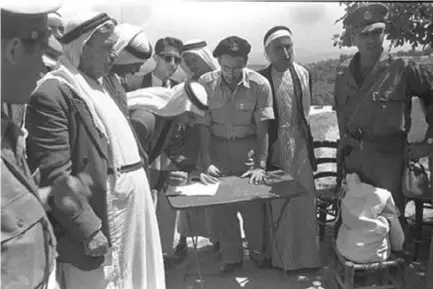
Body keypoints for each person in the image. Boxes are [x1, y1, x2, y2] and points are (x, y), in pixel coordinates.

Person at [25, 10, 165, 289]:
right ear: (81, 47)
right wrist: (87, 228)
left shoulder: (104, 87)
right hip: (103, 215)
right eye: (106, 47)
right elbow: (54, 174)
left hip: (133, 210)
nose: (113, 55)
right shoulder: (54, 93)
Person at [0, 3, 86, 289]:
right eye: (40, 55)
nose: (42, 70)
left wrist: (46, 196)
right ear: (13, 49)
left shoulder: (8, 127)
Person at [333, 3, 433, 227]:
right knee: (356, 219)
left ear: (384, 32)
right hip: (354, 159)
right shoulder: (343, 73)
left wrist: (429, 141)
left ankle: (395, 261)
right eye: (364, 34)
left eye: (377, 32)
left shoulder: (402, 68)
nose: (371, 40)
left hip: (389, 160)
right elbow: (341, 113)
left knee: (390, 219)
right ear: (353, 37)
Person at [197, 36, 274, 273]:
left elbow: (263, 129)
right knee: (223, 208)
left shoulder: (260, 85)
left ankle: (259, 256)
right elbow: (202, 126)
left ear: (246, 61)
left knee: (253, 209)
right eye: (225, 67)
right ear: (218, 61)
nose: (230, 73)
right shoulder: (206, 83)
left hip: (247, 152)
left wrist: (260, 165)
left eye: (237, 67)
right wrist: (207, 162)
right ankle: (231, 258)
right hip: (218, 151)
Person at [128, 81, 217, 267]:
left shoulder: (170, 117)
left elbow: (173, 147)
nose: (190, 123)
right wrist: (161, 179)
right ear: (180, 105)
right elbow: (131, 167)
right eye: (190, 117)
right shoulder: (143, 120)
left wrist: (192, 171)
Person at [257, 26, 321, 271]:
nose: (285, 52)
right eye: (278, 48)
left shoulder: (303, 73)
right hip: (276, 147)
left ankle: (306, 257)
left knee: (304, 199)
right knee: (278, 201)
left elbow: (304, 113)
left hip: (300, 145)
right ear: (267, 53)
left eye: (288, 46)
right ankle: (281, 258)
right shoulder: (262, 79)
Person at [175, 39, 221, 258]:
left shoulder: (219, 80)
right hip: (192, 145)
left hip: (216, 143)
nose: (192, 65)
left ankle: (219, 239)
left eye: (195, 60)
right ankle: (184, 239)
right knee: (190, 193)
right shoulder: (187, 84)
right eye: (188, 61)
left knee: (215, 194)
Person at [104, 23, 152, 115]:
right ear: (122, 58)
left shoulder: (116, 81)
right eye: (135, 65)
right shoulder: (96, 81)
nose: (136, 71)